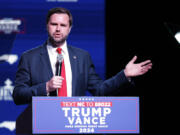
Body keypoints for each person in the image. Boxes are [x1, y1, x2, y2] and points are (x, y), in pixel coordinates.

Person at [12, 7, 152, 105]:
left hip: (73, 126)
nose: (58, 29)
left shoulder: (82, 57)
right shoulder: (30, 57)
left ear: (69, 28)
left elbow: (99, 90)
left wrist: (125, 75)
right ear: (47, 26)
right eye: (54, 24)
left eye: (63, 25)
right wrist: (46, 87)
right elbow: (18, 95)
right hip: (43, 126)